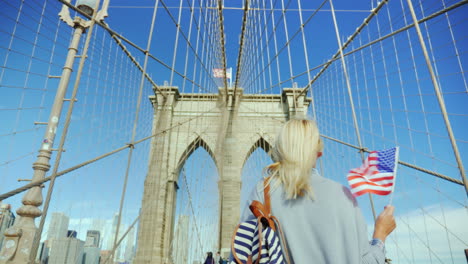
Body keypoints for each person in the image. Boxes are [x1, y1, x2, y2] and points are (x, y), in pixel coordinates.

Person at [239, 118, 396, 264]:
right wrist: (380, 234)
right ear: (319, 153)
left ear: (279, 150)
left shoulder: (262, 192)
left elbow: (241, 254)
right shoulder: (343, 195)